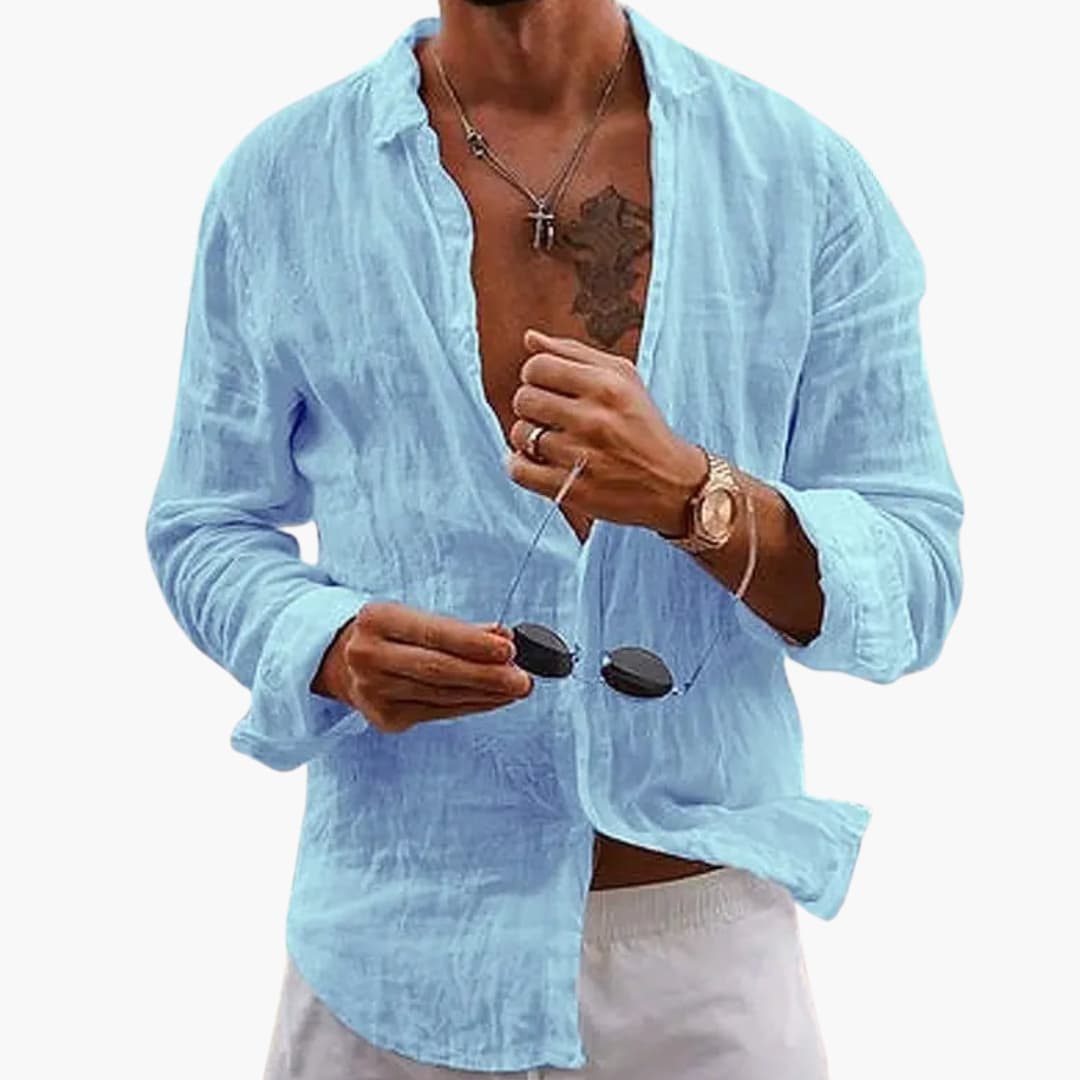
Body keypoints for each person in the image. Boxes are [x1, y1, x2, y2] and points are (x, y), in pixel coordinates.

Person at [144, 1, 965, 1076]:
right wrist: (325, 645)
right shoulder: (282, 181)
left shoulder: (799, 178)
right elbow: (205, 521)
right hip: (393, 957)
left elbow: (916, 573)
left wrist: (696, 495)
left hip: (702, 966)